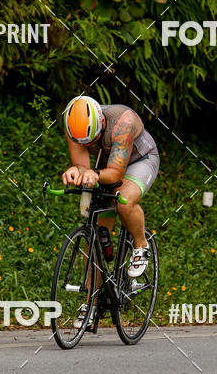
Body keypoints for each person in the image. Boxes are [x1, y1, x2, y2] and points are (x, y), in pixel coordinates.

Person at [61, 96, 159, 285]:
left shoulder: (124, 123)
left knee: (123, 201)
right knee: (94, 237)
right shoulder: (73, 124)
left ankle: (141, 245)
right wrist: (77, 171)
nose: (88, 146)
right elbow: (82, 166)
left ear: (102, 122)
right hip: (104, 165)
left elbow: (114, 174)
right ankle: (92, 303)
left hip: (139, 160)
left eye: (93, 140)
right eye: (84, 144)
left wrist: (94, 174)